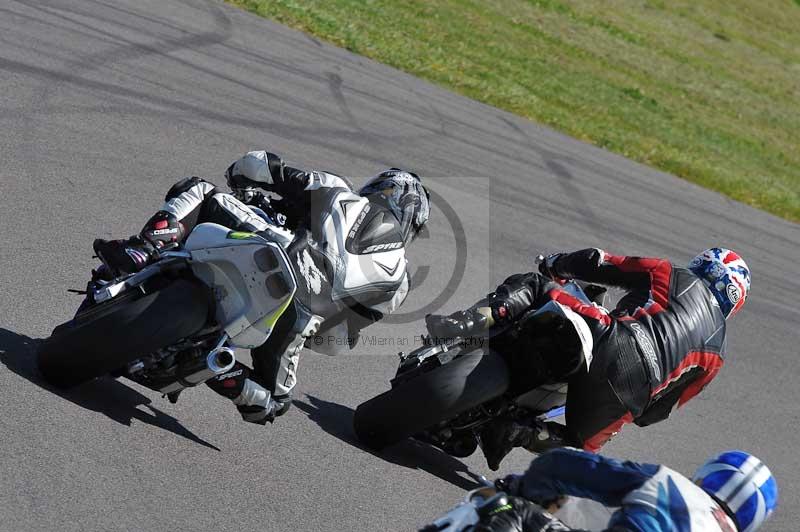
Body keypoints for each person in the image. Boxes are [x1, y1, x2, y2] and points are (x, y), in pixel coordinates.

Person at [94, 150, 430, 424]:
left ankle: (144, 249)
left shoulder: (338, 190)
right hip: (301, 317)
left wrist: (241, 179)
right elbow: (336, 342)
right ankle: (220, 367)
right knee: (272, 401)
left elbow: (262, 166)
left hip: (277, 249)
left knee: (200, 190)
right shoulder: (399, 281)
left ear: (375, 189)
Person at [425, 248, 750, 470]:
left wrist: (557, 264)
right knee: (580, 451)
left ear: (703, 265)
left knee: (539, 285)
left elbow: (601, 263)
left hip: (610, 336)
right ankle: (519, 432)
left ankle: (466, 323)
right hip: (629, 395)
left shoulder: (671, 273)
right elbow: (652, 415)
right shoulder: (715, 359)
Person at [472, 447, 777, 532]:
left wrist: (522, 488)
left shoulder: (670, 482)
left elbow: (561, 465)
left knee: (494, 505)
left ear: (709, 475)